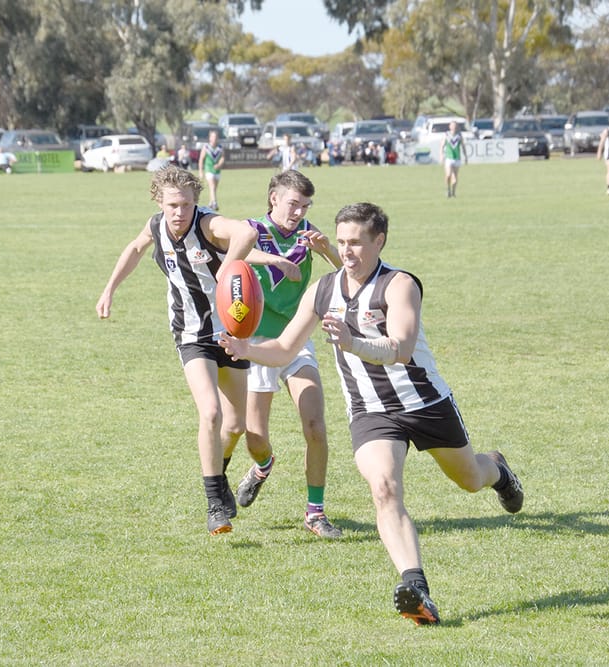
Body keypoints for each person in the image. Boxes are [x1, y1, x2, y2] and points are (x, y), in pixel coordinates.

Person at [220, 202, 524, 625]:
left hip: (424, 402)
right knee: (384, 489)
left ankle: (499, 471)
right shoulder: (323, 290)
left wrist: (353, 342)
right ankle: (416, 588)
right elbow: (286, 348)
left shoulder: (399, 285)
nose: (347, 251)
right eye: (342, 242)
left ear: (379, 241)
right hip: (370, 411)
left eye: (357, 243)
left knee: (470, 478)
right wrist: (246, 348)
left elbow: (401, 347)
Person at [96, 164, 259, 536]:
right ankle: (214, 503)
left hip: (231, 333)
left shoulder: (208, 225)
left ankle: (220, 476)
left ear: (195, 202)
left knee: (235, 425)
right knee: (211, 412)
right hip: (190, 333)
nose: (179, 212)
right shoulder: (156, 226)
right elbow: (135, 248)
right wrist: (109, 290)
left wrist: (227, 267)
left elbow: (247, 232)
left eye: (186, 204)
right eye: (172, 205)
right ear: (159, 202)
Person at [227, 169, 344, 539]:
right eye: (294, 203)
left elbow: (349, 272)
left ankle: (315, 512)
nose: (299, 212)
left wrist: (327, 249)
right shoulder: (252, 230)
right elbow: (231, 259)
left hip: (295, 339)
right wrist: (275, 261)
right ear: (274, 198)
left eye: (305, 205)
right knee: (255, 437)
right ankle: (263, 466)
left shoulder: (308, 232)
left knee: (315, 425)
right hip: (256, 342)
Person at [198, 130, 224, 210]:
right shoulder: (206, 147)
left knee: (214, 188)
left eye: (215, 137)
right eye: (212, 136)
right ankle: (215, 203)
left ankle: (211, 202)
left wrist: (219, 164)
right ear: (210, 138)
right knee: (212, 186)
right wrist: (201, 171)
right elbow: (201, 159)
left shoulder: (220, 147)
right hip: (208, 169)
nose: (214, 138)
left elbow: (223, 158)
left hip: (217, 171)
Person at [440, 121, 467, 198]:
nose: (454, 127)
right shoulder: (446, 135)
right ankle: (448, 189)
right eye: (452, 125)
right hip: (448, 158)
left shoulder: (459, 135)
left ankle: (453, 192)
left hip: (457, 158)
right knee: (448, 175)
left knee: (454, 178)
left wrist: (465, 156)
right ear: (450, 126)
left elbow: (463, 146)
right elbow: (442, 145)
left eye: (455, 126)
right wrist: (441, 155)